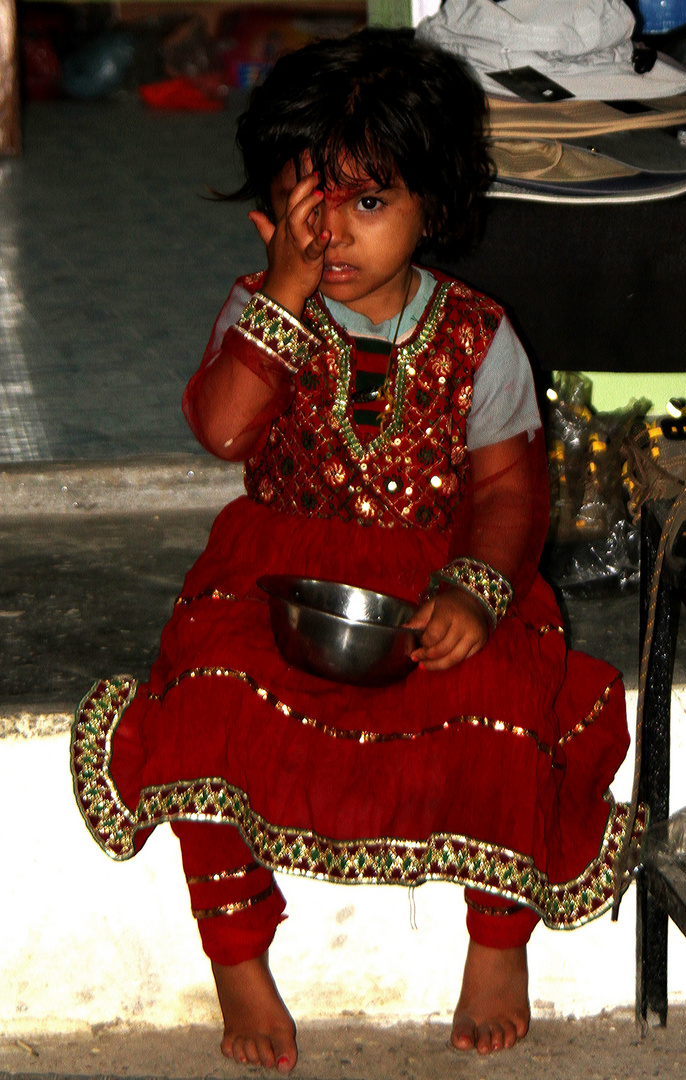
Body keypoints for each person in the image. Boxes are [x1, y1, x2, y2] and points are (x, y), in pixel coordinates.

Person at [70, 28, 635, 1071]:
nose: (334, 234)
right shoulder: (259, 309)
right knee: (203, 704)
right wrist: (280, 300)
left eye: (367, 204)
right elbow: (227, 432)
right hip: (274, 576)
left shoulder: (477, 334)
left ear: (434, 203)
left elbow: (511, 489)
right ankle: (237, 959)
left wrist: (476, 588)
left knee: (511, 698)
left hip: (437, 574)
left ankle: (498, 944)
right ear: (269, 212)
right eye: (308, 207)